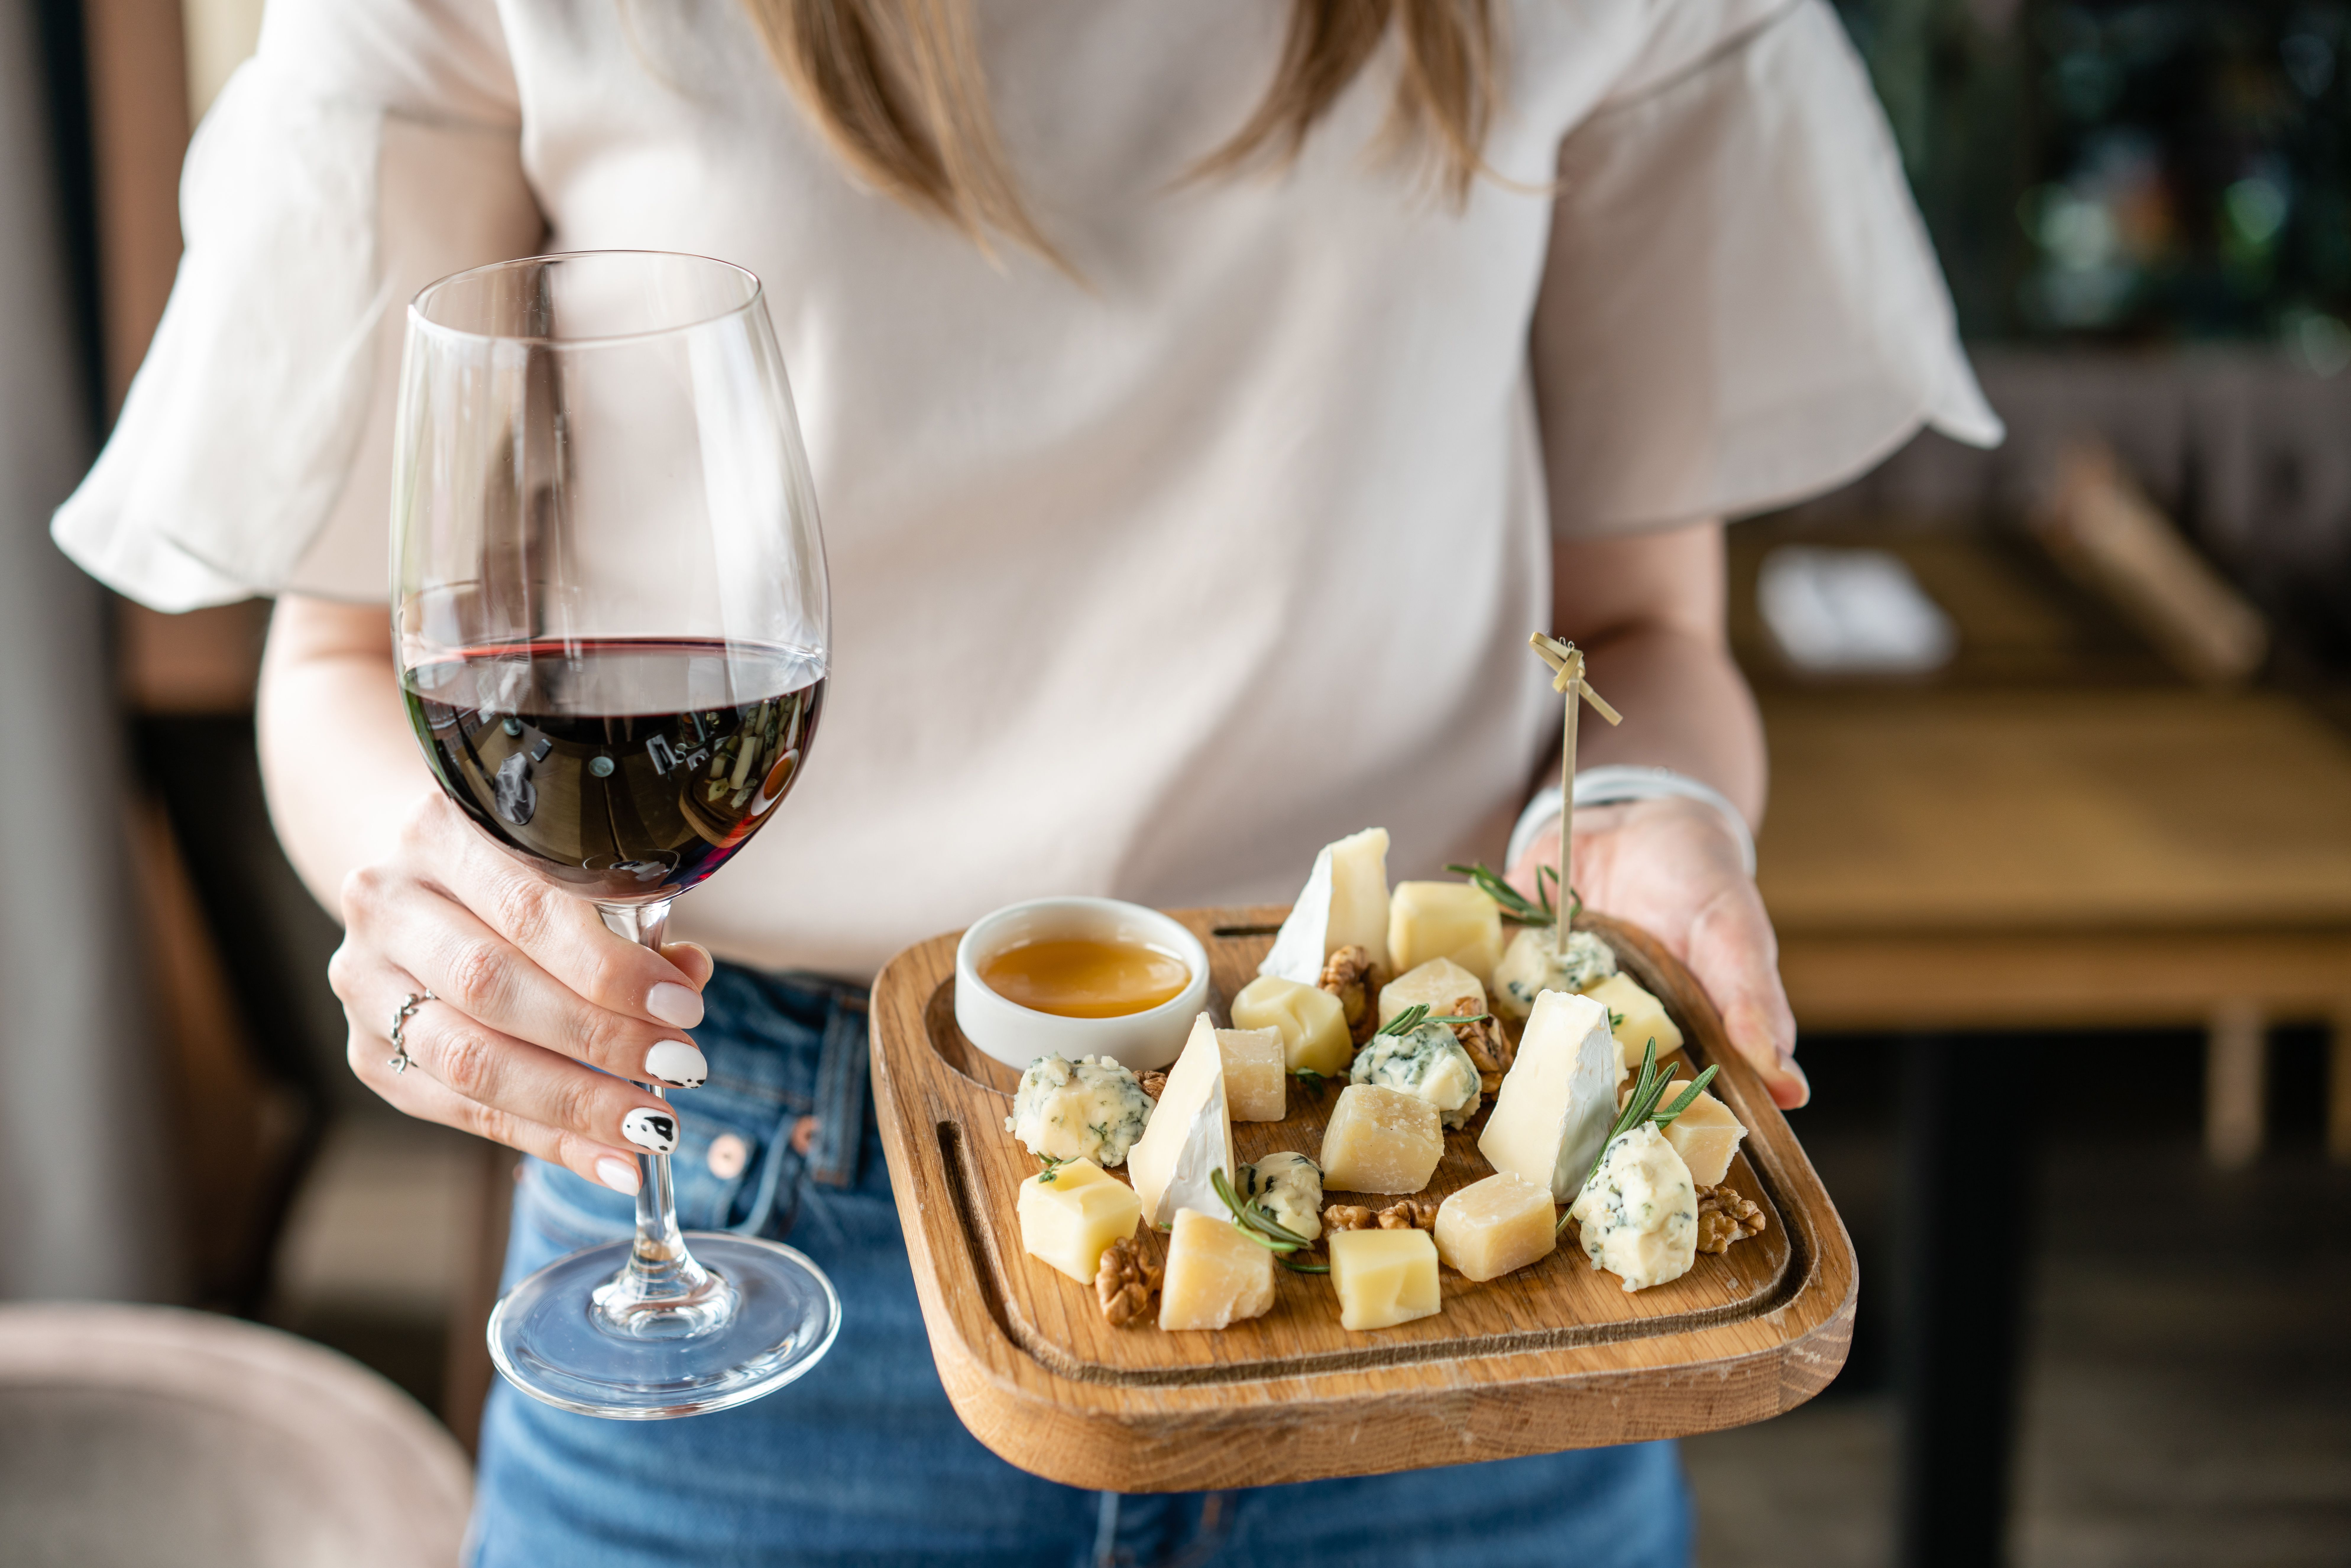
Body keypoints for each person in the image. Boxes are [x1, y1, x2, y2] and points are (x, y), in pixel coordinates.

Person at [55, 0, 1999, 1562]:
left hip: (1443, 1255)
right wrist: (425, 891)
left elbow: (1640, 632)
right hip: (755, 1232)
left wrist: (1654, 834)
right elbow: (335, 661)